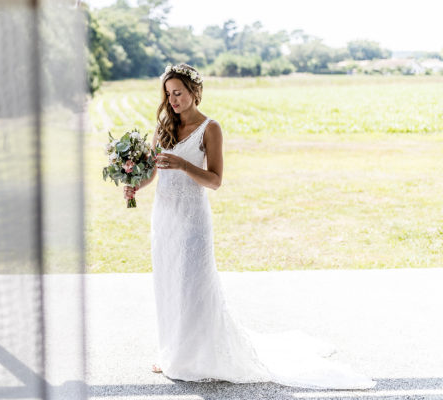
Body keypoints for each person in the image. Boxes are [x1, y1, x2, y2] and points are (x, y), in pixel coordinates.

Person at [123, 63, 376, 390]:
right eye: (168, 94)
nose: (173, 100)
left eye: (179, 93)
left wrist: (184, 164)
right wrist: (135, 185)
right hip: (164, 218)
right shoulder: (163, 128)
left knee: (191, 285)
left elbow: (214, 180)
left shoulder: (210, 128)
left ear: (194, 92)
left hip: (191, 219)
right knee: (168, 282)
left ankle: (192, 355)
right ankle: (171, 350)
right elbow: (155, 172)